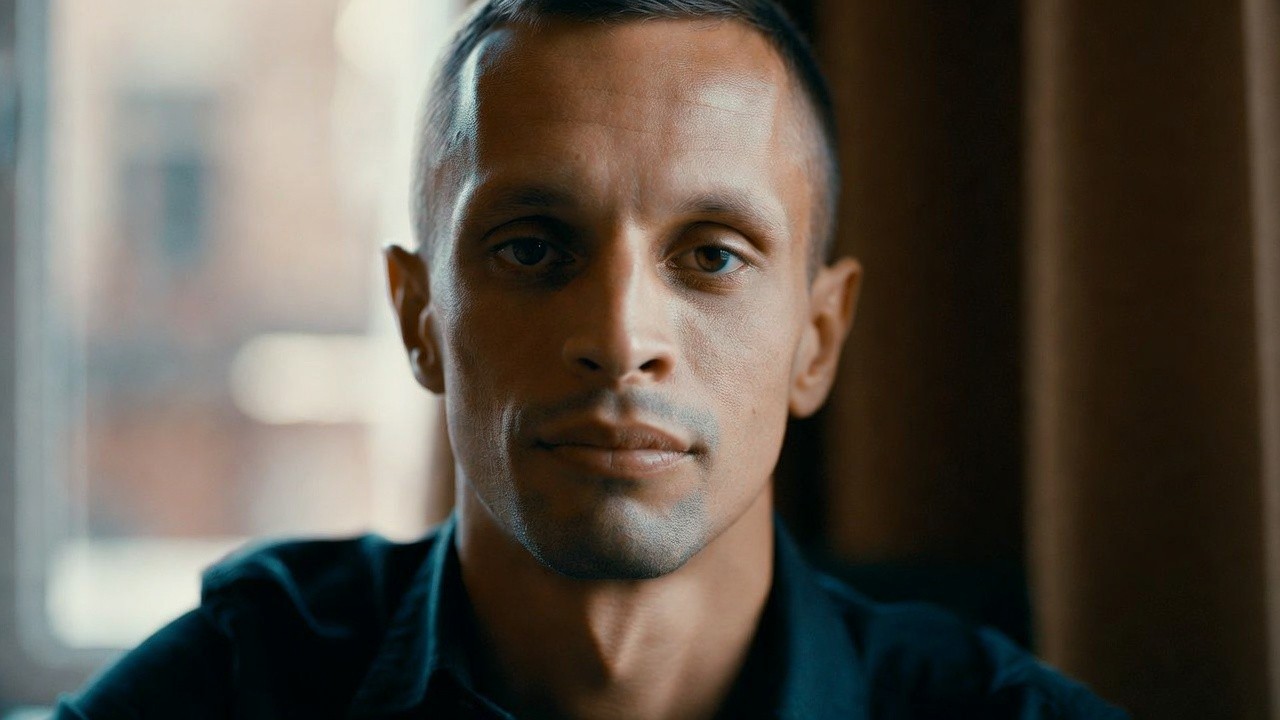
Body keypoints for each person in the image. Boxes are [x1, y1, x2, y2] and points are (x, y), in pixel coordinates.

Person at [58, 1, 1128, 718]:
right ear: (419, 316)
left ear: (818, 339)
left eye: (709, 255)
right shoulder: (239, 688)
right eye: (531, 247)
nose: (620, 341)